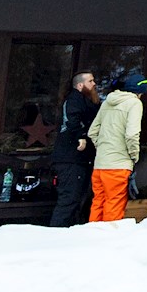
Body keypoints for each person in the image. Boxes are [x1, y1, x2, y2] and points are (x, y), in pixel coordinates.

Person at [48, 71, 103, 226]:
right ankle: (56, 234)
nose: (94, 84)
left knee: (76, 199)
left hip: (79, 160)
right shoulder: (74, 99)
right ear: (80, 85)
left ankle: (68, 234)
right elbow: (73, 120)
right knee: (69, 199)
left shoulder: (87, 101)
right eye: (90, 81)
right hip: (71, 159)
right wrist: (81, 137)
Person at [88, 79, 145, 222]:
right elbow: (132, 134)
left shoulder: (107, 102)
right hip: (118, 165)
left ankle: (90, 238)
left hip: (100, 164)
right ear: (140, 92)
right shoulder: (134, 103)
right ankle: (108, 240)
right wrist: (133, 156)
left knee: (98, 203)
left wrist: (103, 148)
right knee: (114, 205)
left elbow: (92, 132)